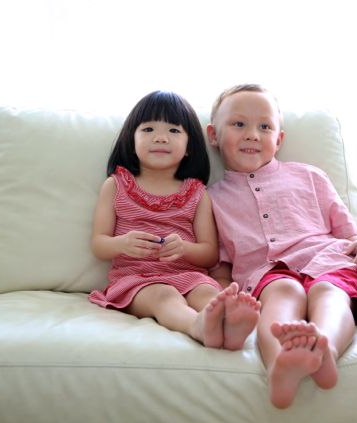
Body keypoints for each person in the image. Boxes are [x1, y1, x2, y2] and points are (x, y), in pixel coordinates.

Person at [206, 84, 357, 408]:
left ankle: (325, 350)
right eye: (239, 124)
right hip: (266, 271)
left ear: (279, 139)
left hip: (327, 259)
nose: (252, 134)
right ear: (214, 135)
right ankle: (279, 365)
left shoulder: (310, 176)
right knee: (284, 291)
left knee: (329, 293)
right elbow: (219, 263)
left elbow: (351, 235)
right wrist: (224, 294)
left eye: (264, 127)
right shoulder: (211, 199)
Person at [89, 90, 260, 350]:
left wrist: (184, 248)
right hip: (136, 280)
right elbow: (99, 244)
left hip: (188, 275)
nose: (160, 137)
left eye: (173, 130)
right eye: (148, 129)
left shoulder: (197, 193)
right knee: (165, 295)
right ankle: (197, 326)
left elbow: (209, 254)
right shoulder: (116, 186)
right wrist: (122, 243)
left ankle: (230, 326)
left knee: (209, 293)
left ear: (189, 146)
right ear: (131, 140)